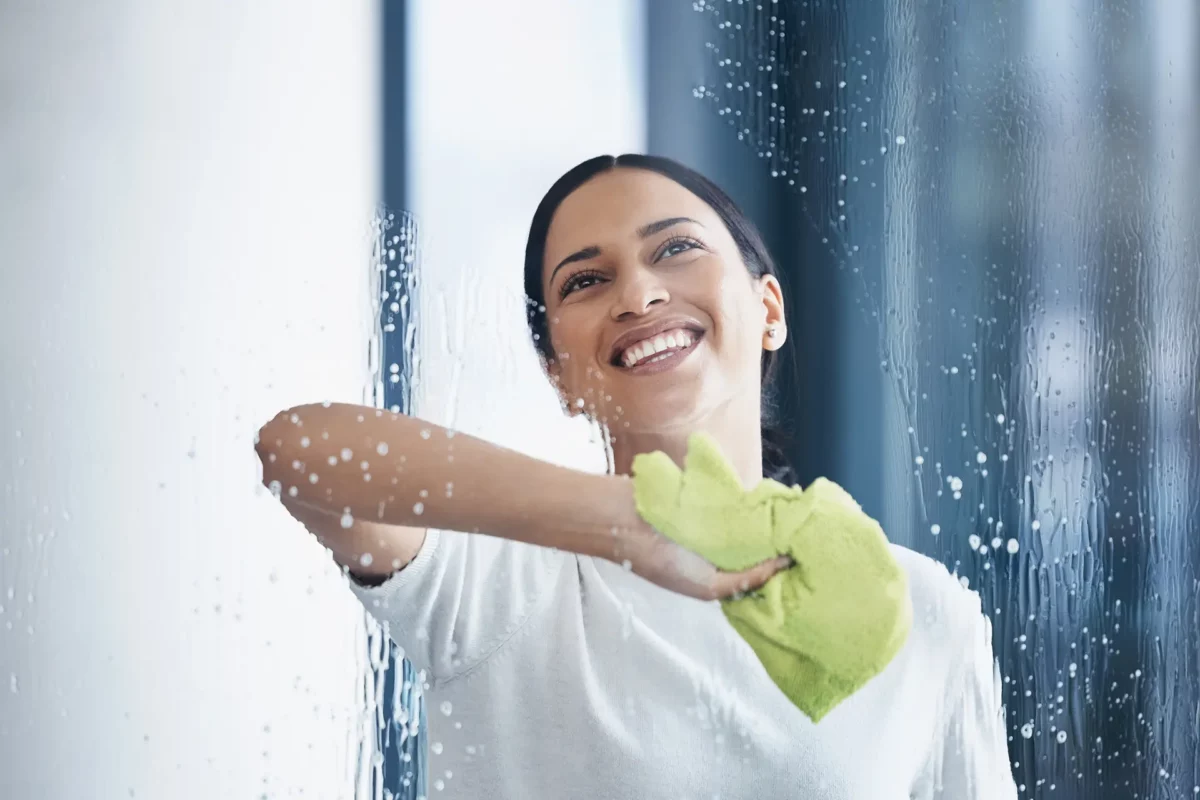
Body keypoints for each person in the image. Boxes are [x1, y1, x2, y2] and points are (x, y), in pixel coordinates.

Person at [255, 154, 1018, 798]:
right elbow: (297, 448)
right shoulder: (506, 586)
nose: (639, 295)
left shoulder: (925, 614)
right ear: (560, 375)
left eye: (677, 248)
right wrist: (628, 522)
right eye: (584, 282)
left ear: (769, 308)